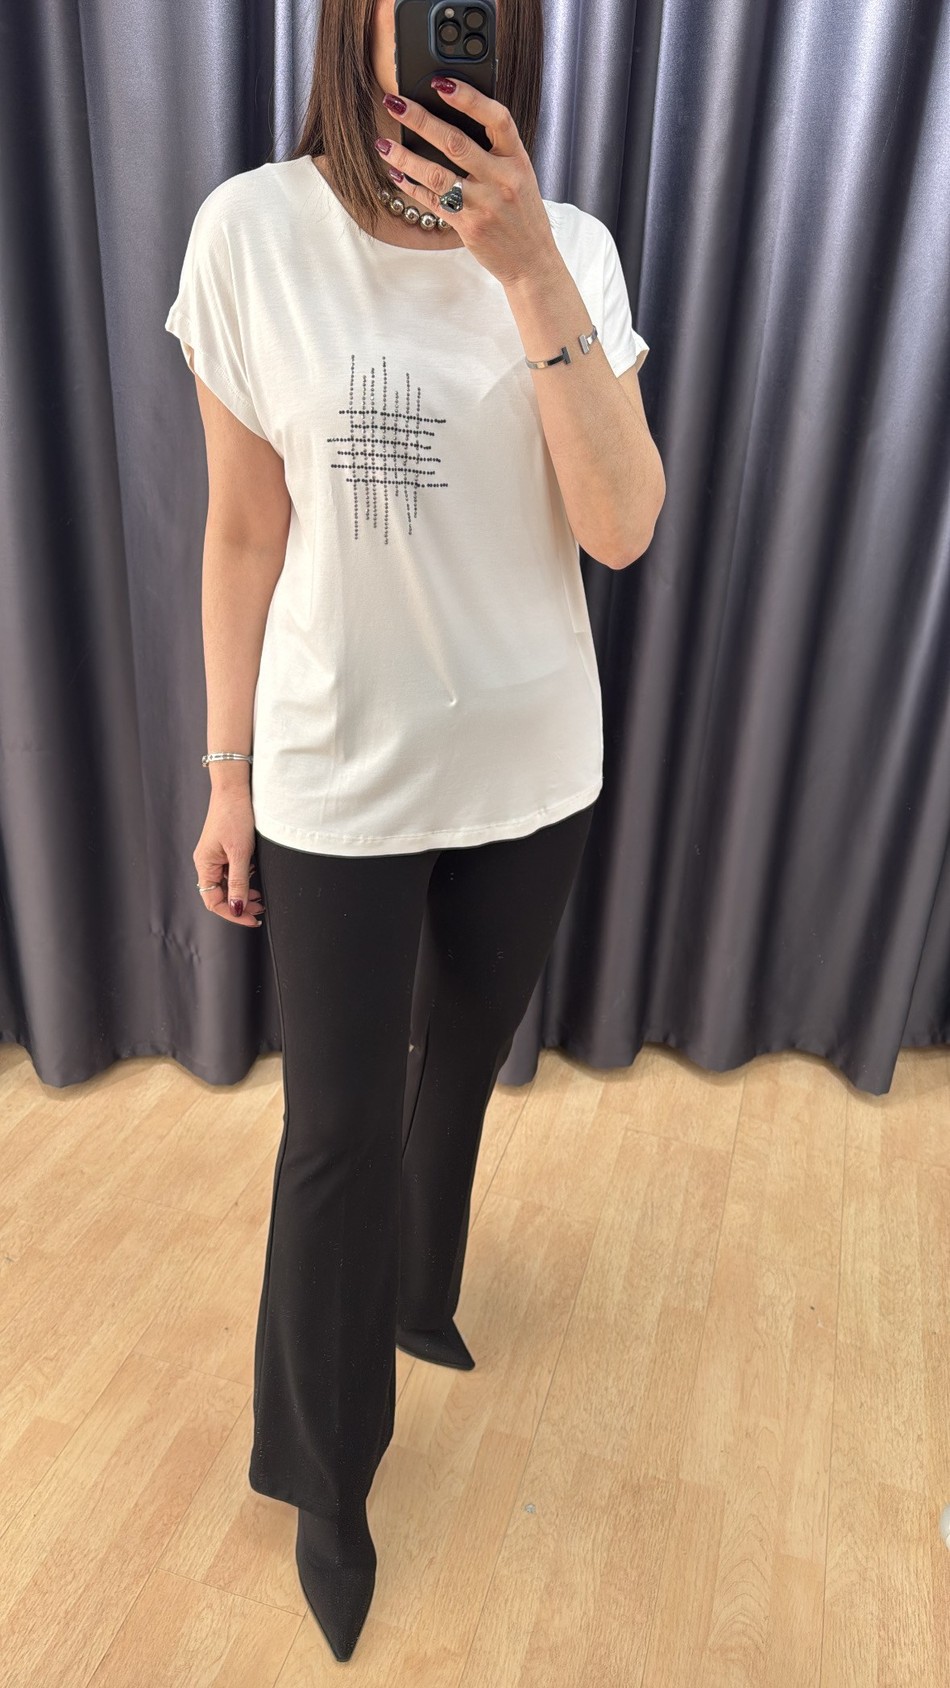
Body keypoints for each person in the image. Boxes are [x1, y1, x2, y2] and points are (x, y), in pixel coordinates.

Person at [164, 0, 664, 1663]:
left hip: (531, 764)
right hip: (334, 769)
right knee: (332, 1130)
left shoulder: (570, 250)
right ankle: (326, 1476)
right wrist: (228, 775)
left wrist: (525, 271)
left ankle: (419, 1293)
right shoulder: (250, 232)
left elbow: (620, 527)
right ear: (353, 28)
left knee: (461, 1064)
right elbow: (243, 533)